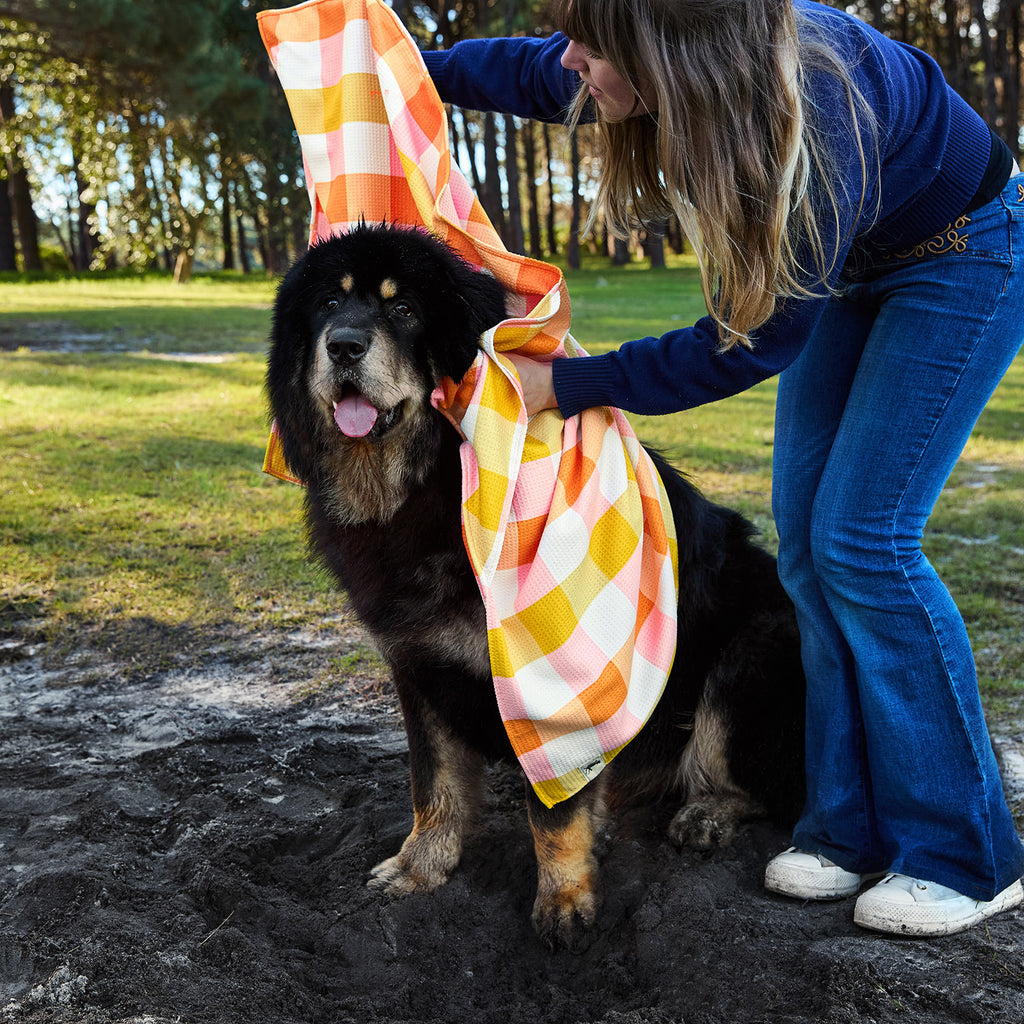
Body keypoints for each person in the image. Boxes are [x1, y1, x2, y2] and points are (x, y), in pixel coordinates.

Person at [418, 0, 1024, 937]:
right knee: (806, 555)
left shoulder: (814, 104)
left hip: (963, 252)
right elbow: (533, 70)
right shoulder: (656, 69)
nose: (570, 60)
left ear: (666, 53)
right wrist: (401, 63)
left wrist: (570, 383)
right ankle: (845, 829)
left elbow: (747, 341)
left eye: (592, 46)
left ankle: (967, 856)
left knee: (864, 543)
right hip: (851, 265)